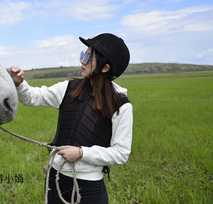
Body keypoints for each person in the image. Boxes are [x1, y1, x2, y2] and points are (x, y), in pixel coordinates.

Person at [10, 33, 133, 204]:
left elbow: (121, 153)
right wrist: (19, 83)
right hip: (56, 179)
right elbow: (32, 97)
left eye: (89, 57)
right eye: (83, 54)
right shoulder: (68, 88)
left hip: (90, 188)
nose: (82, 61)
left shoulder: (121, 105)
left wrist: (81, 153)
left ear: (105, 68)